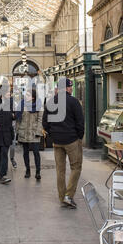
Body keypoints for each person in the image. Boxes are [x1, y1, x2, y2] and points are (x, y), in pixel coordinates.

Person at [43, 78, 84, 208]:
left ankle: (62, 198)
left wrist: (52, 134)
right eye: (70, 87)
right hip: (71, 140)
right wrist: (79, 136)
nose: (71, 89)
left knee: (60, 170)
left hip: (57, 142)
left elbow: (45, 122)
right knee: (76, 167)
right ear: (65, 88)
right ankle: (68, 196)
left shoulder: (50, 101)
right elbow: (80, 122)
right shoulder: (74, 101)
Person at [16, 88, 43, 180]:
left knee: (36, 152)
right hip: (24, 131)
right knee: (25, 152)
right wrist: (17, 131)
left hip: (34, 132)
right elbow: (18, 120)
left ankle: (38, 171)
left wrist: (38, 131)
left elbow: (40, 120)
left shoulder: (39, 105)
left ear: (33, 97)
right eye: (25, 94)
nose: (25, 96)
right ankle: (27, 170)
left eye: (28, 95)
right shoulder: (22, 105)